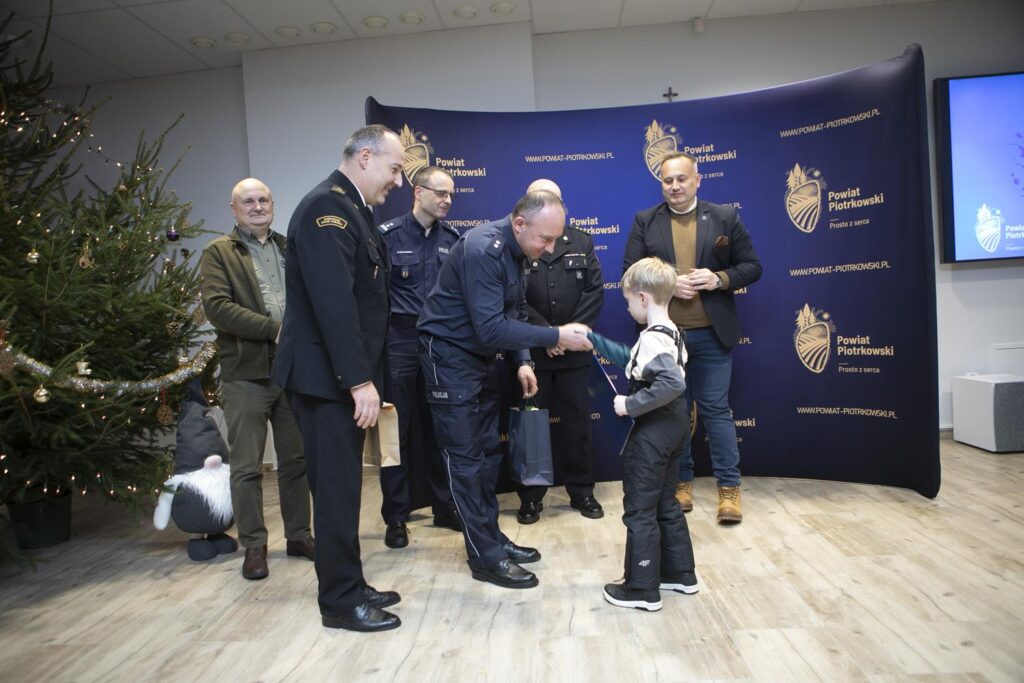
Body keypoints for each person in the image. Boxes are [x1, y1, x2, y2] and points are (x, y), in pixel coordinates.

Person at [417, 190, 593, 589]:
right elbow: (491, 328)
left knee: (487, 455)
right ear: (519, 224)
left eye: (556, 239)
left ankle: (492, 538)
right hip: (449, 357)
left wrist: (524, 361)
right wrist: (556, 334)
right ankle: (485, 556)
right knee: (465, 460)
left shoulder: (519, 250)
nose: (550, 249)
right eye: (545, 239)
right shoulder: (484, 249)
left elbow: (514, 310)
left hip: (479, 358)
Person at [271, 125, 403, 633]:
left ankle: (351, 582)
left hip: (335, 378)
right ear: (365, 157)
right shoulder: (327, 209)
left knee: (345, 488)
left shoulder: (352, 209)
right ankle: (340, 602)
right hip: (325, 380)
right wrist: (358, 381)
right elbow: (335, 305)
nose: (398, 181)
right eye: (394, 168)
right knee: (335, 492)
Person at [623, 152, 762, 524]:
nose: (675, 186)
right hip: (666, 340)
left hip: (713, 335)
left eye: (681, 179)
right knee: (675, 413)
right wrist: (669, 283)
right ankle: (680, 483)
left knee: (715, 410)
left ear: (697, 180)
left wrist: (719, 279)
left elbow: (752, 266)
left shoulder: (724, 217)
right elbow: (630, 273)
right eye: (668, 180)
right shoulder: (645, 221)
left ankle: (729, 489)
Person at [199, 178, 313, 582]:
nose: (257, 206)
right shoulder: (219, 252)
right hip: (246, 375)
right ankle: (254, 546)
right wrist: (273, 329)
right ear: (234, 209)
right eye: (248, 201)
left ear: (273, 204)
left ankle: (299, 536)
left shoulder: (289, 247)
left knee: (296, 461)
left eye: (263, 199)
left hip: (292, 372)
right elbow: (218, 308)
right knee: (247, 467)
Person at [588, 257, 698, 612]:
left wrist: (630, 405)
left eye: (628, 301)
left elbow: (672, 382)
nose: (627, 307)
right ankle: (680, 573)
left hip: (653, 431)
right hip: (675, 427)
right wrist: (593, 341)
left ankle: (641, 587)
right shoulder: (671, 332)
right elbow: (633, 360)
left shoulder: (651, 339)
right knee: (666, 502)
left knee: (639, 509)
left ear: (643, 298)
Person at [377, 166, 462, 548]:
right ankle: (396, 516)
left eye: (450, 194)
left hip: (439, 342)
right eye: (440, 193)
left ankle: (445, 507)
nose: (447, 200)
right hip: (399, 340)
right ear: (418, 192)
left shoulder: (452, 239)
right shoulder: (388, 236)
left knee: (441, 429)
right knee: (396, 431)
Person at [516, 179, 604, 525]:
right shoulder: (521, 241)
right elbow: (514, 298)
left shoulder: (581, 240)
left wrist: (567, 336)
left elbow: (595, 291)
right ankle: (531, 497)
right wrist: (549, 336)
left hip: (574, 352)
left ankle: (582, 491)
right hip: (532, 354)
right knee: (531, 427)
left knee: (578, 426)